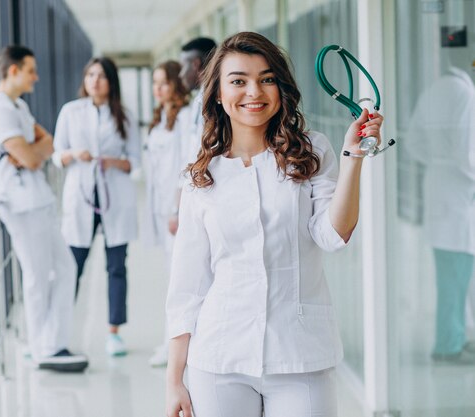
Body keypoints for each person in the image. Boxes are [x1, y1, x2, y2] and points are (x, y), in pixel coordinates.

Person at [165, 32, 384, 416]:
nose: (254, 91)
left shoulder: (312, 152)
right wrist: (173, 381)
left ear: (281, 88)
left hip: (300, 355)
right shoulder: (200, 176)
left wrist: (353, 157)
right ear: (218, 93)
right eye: (238, 81)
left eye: (267, 79)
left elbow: (334, 234)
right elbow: (187, 284)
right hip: (219, 357)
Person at [0, 45, 88, 371]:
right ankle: (44, 348)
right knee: (38, 275)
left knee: (65, 269)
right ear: (13, 71)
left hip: (37, 199)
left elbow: (47, 143)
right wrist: (30, 153)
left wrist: (31, 152)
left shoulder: (18, 106)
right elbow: (28, 156)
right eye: (30, 71)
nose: (36, 77)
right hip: (19, 203)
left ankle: (52, 342)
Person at [53, 57, 141, 357]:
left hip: (115, 197)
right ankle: (58, 331)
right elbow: (57, 155)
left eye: (101, 76)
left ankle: (114, 333)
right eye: (90, 74)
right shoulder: (70, 111)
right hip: (81, 197)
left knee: (116, 266)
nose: (95, 81)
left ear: (111, 82)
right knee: (73, 265)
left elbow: (135, 162)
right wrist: (74, 154)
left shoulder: (125, 116)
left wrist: (112, 161)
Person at [405, 64, 475, 364]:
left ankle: (456, 335)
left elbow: (413, 143)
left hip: (437, 184)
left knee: (450, 274)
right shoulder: (466, 93)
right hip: (459, 190)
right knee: (458, 276)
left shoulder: (434, 90)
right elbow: (467, 149)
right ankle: (448, 344)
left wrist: (437, 161)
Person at [143, 60, 191, 367]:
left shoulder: (186, 117)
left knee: (179, 282)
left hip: (176, 209)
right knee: (172, 277)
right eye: (154, 82)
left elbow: (186, 165)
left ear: (177, 84)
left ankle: (172, 347)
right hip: (160, 209)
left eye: (164, 82)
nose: (158, 88)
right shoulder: (161, 118)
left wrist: (176, 208)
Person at [179, 37, 217, 163]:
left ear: (196, 64)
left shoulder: (216, 100)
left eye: (183, 66)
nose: (181, 74)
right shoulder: (199, 98)